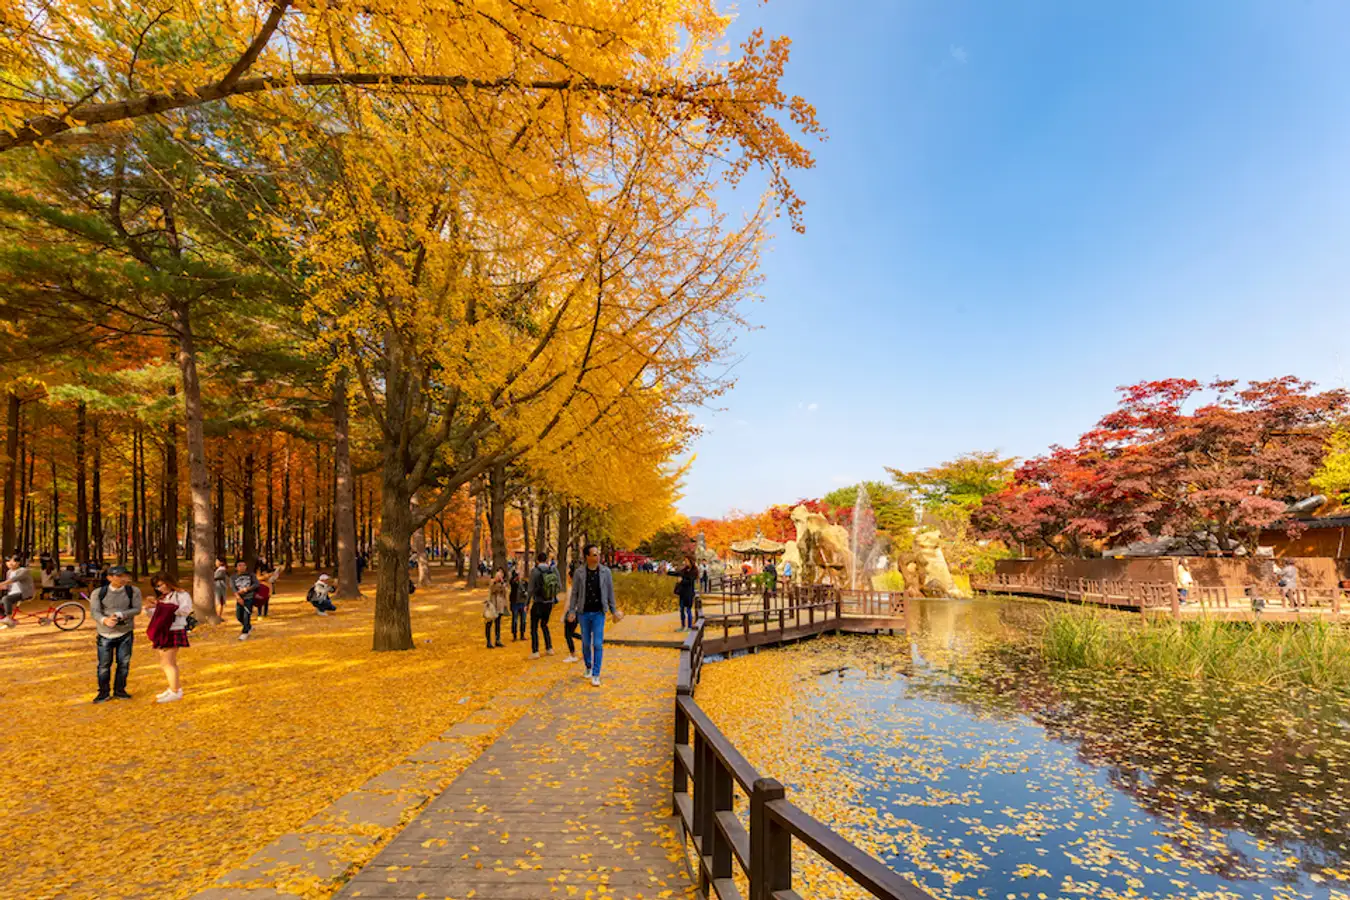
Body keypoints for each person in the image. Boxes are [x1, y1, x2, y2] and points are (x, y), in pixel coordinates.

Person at [566, 543, 623, 687]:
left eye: (598, 554)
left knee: (597, 643)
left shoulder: (605, 572)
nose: (598, 557)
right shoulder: (579, 573)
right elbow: (575, 594)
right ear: (587, 557)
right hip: (583, 613)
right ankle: (588, 666)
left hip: (599, 613)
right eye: (594, 554)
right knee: (586, 643)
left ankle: (596, 674)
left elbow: (610, 592)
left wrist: (613, 610)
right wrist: (572, 611)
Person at [89, 565, 141, 702]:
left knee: (123, 663)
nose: (123, 579)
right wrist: (104, 620)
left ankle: (120, 690)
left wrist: (121, 614)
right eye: (119, 576)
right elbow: (95, 612)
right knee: (104, 665)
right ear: (109, 578)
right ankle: (103, 692)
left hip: (125, 632)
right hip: (105, 634)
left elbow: (137, 609)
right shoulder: (98, 593)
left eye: (125, 576)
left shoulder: (133, 591)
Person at [147, 573, 193, 703]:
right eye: (156, 587)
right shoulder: (162, 597)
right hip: (162, 630)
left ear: (168, 582)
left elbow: (185, 610)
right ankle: (173, 688)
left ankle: (175, 691)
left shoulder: (181, 595)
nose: (159, 589)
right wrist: (150, 608)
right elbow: (155, 615)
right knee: (164, 662)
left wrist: (163, 607)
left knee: (168, 662)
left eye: (160, 585)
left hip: (174, 629)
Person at [527, 551, 560, 659]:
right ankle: (549, 648)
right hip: (549, 603)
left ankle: (535, 651)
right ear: (546, 560)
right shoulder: (552, 570)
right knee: (544, 625)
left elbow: (530, 589)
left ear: (537, 561)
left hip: (538, 603)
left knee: (534, 627)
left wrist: (527, 603)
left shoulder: (535, 571)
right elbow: (558, 585)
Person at [0, 555, 35, 628]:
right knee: (3, 600)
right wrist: (3, 587)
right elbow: (9, 585)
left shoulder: (24, 570)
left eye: (13, 561)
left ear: (18, 563)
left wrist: (2, 583)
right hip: (12, 593)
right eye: (8, 561)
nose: (10, 563)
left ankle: (9, 619)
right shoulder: (9, 572)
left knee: (6, 599)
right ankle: (4, 618)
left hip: (24, 593)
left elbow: (15, 579)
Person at [231, 560, 260, 641]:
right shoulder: (233, 577)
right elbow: (233, 588)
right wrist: (238, 597)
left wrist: (246, 589)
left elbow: (256, 584)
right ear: (236, 567)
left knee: (246, 615)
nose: (242, 567)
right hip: (239, 598)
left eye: (244, 565)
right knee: (239, 616)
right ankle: (248, 626)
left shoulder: (251, 575)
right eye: (240, 565)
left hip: (249, 597)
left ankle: (245, 632)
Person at [674, 555, 698, 631]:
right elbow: (678, 573)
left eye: (687, 561)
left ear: (691, 561)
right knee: (681, 609)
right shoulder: (685, 569)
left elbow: (690, 581)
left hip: (689, 593)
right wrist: (667, 572)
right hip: (682, 592)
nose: (685, 562)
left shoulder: (694, 570)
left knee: (688, 610)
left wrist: (682, 581)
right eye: (685, 560)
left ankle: (689, 627)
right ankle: (683, 626)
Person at [485, 569, 507, 648]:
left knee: (498, 624)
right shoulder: (492, 582)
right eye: (498, 575)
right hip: (492, 606)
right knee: (489, 623)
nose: (500, 576)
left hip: (499, 606)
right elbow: (493, 589)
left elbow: (505, 592)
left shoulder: (502, 583)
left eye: (501, 575)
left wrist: (502, 583)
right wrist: (496, 582)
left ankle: (498, 640)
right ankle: (488, 641)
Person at [508, 569, 527, 642]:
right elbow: (511, 582)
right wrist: (515, 577)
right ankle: (514, 635)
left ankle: (522, 634)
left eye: (521, 574)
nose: (520, 576)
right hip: (515, 603)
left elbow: (528, 591)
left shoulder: (525, 583)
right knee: (515, 620)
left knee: (523, 620)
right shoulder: (514, 583)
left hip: (523, 603)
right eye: (518, 574)